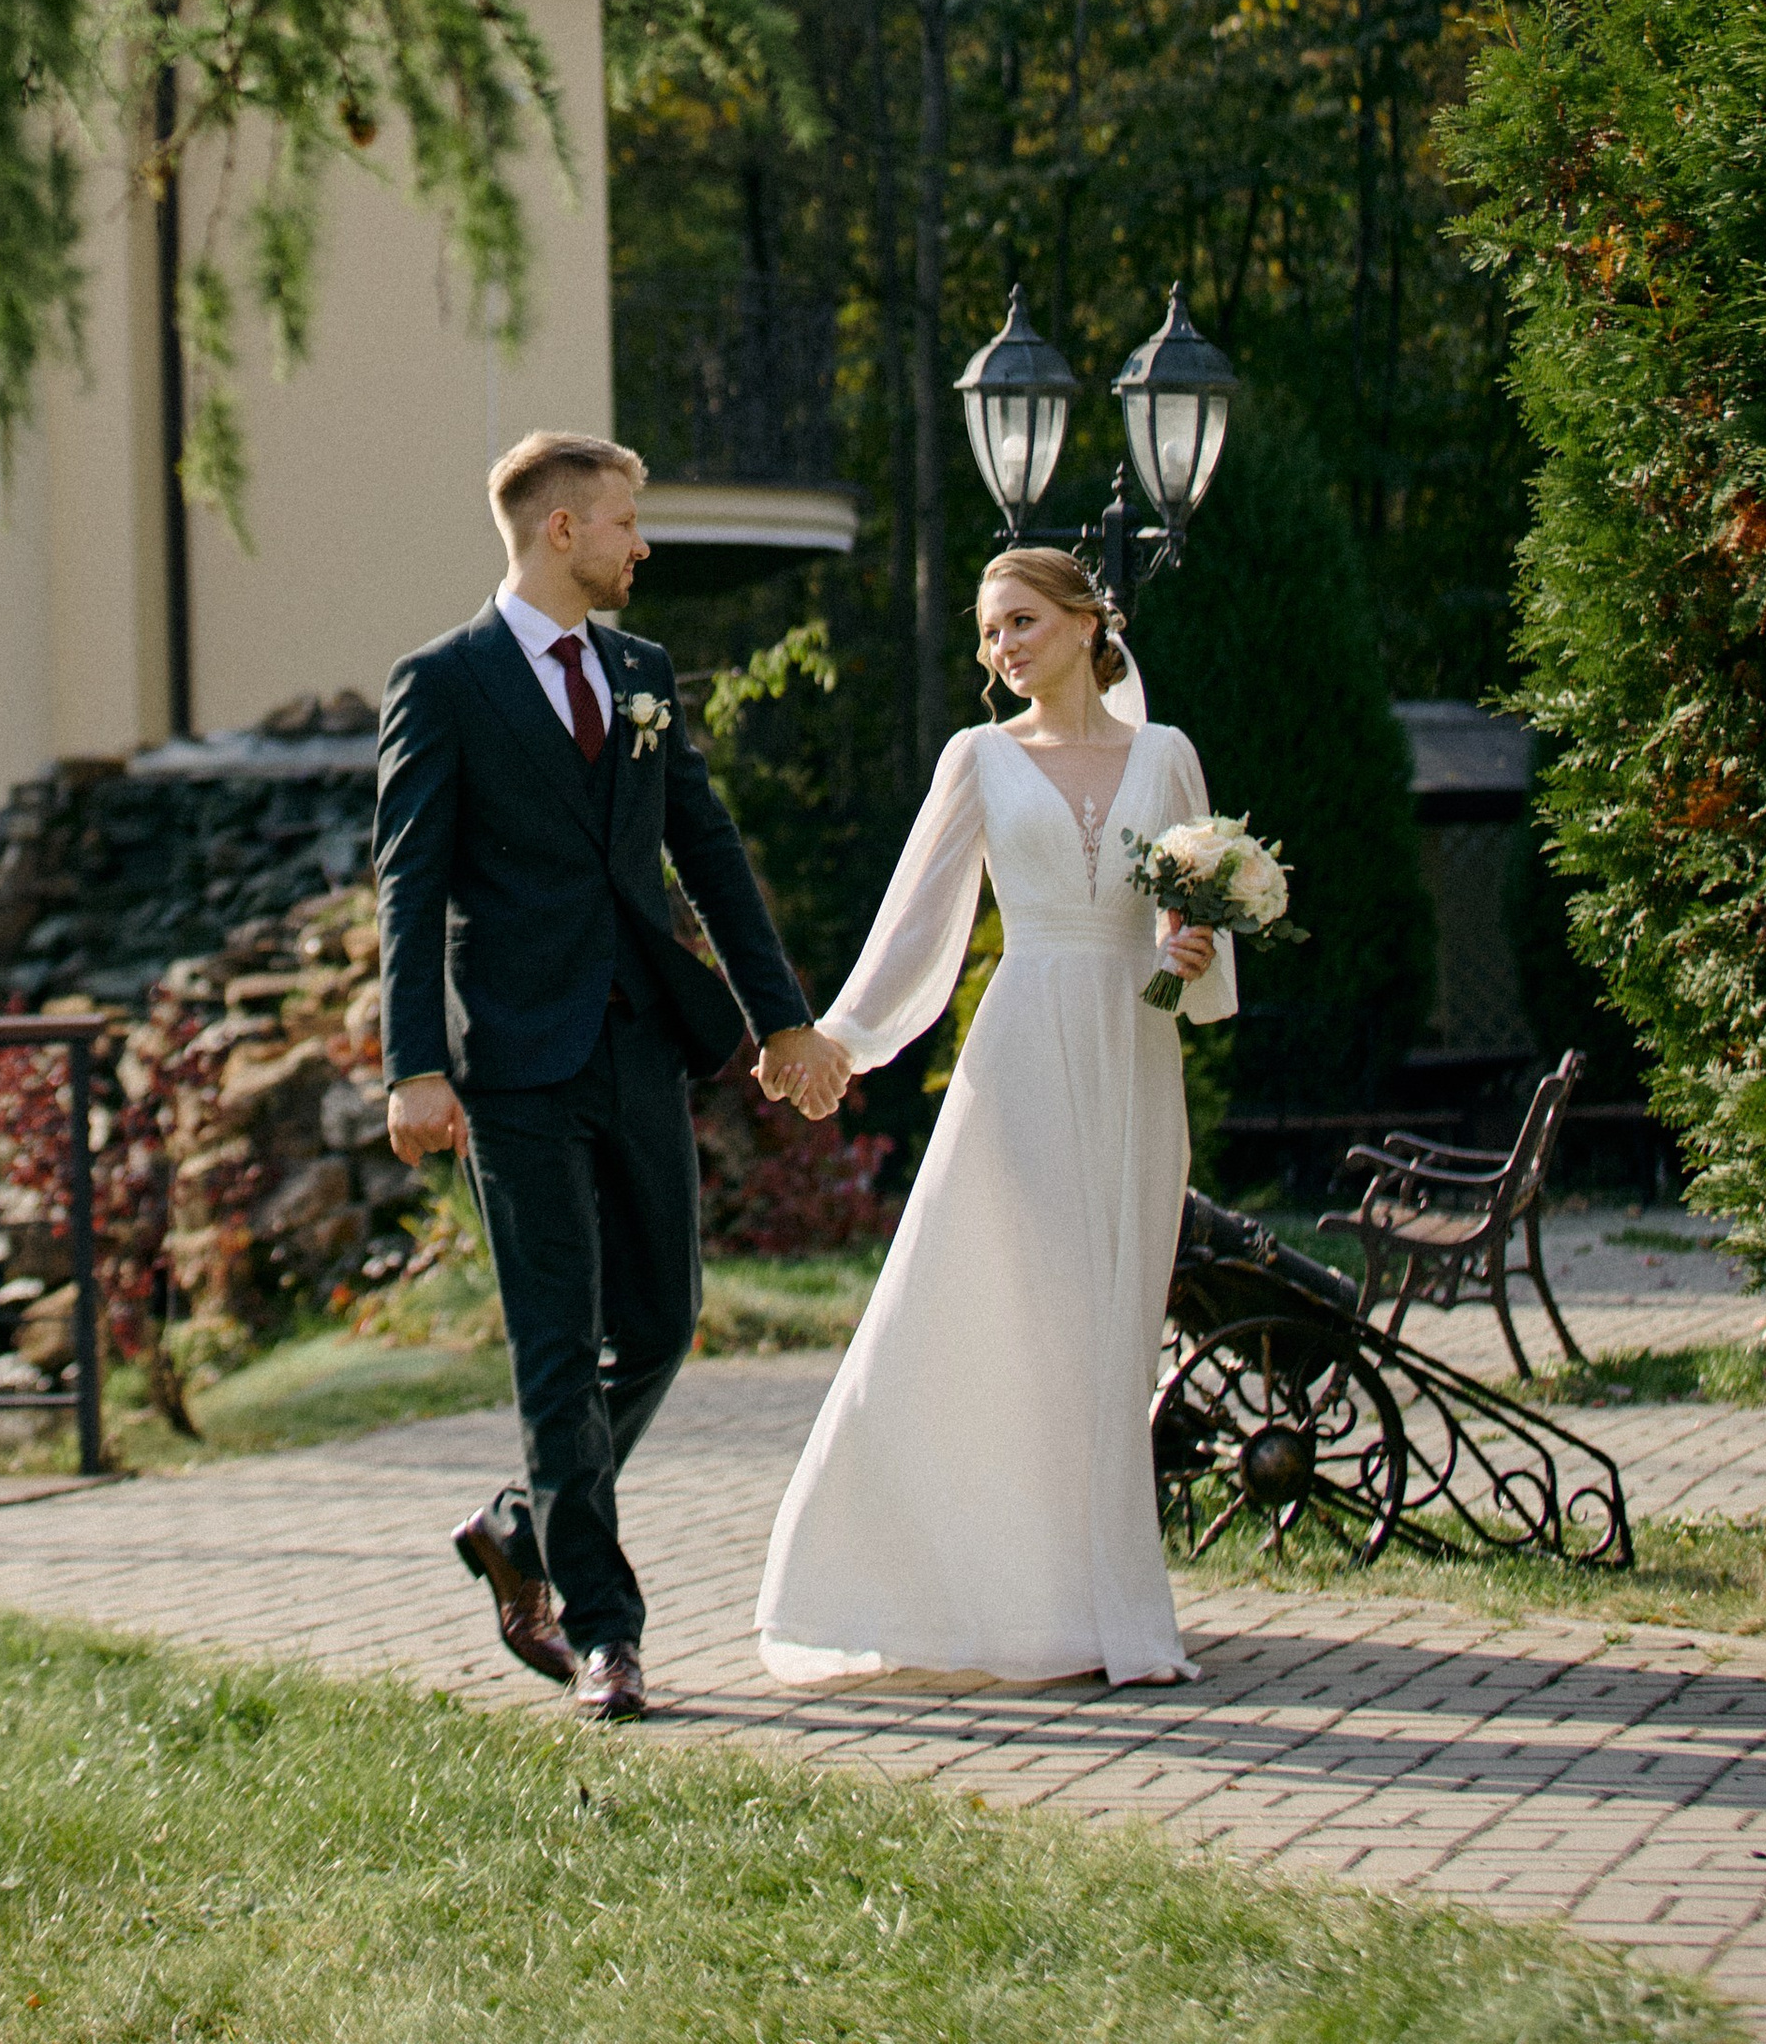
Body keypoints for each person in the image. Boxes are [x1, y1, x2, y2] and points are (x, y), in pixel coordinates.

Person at [374, 431, 850, 1725]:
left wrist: (783, 1020)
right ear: (562, 532)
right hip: (510, 1070)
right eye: (629, 522)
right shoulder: (445, 684)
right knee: (551, 1345)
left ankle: (520, 1525)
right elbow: (410, 889)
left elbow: (705, 843)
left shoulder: (642, 675)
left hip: (639, 1039)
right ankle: (606, 1629)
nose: (646, 545)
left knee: (658, 1316)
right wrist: (413, 1065)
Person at [753, 545, 1231, 1691]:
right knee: (1007, 1305)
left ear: (1083, 623)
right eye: (987, 633)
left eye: (1019, 623)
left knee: (1115, 1324)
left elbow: (1200, 961)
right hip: (1018, 1054)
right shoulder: (976, 758)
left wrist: (1198, 954)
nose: (1000, 649)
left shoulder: (1167, 759)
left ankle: (1104, 1606)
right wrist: (840, 1039)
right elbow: (915, 924)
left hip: (1132, 1050)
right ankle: (891, 1578)